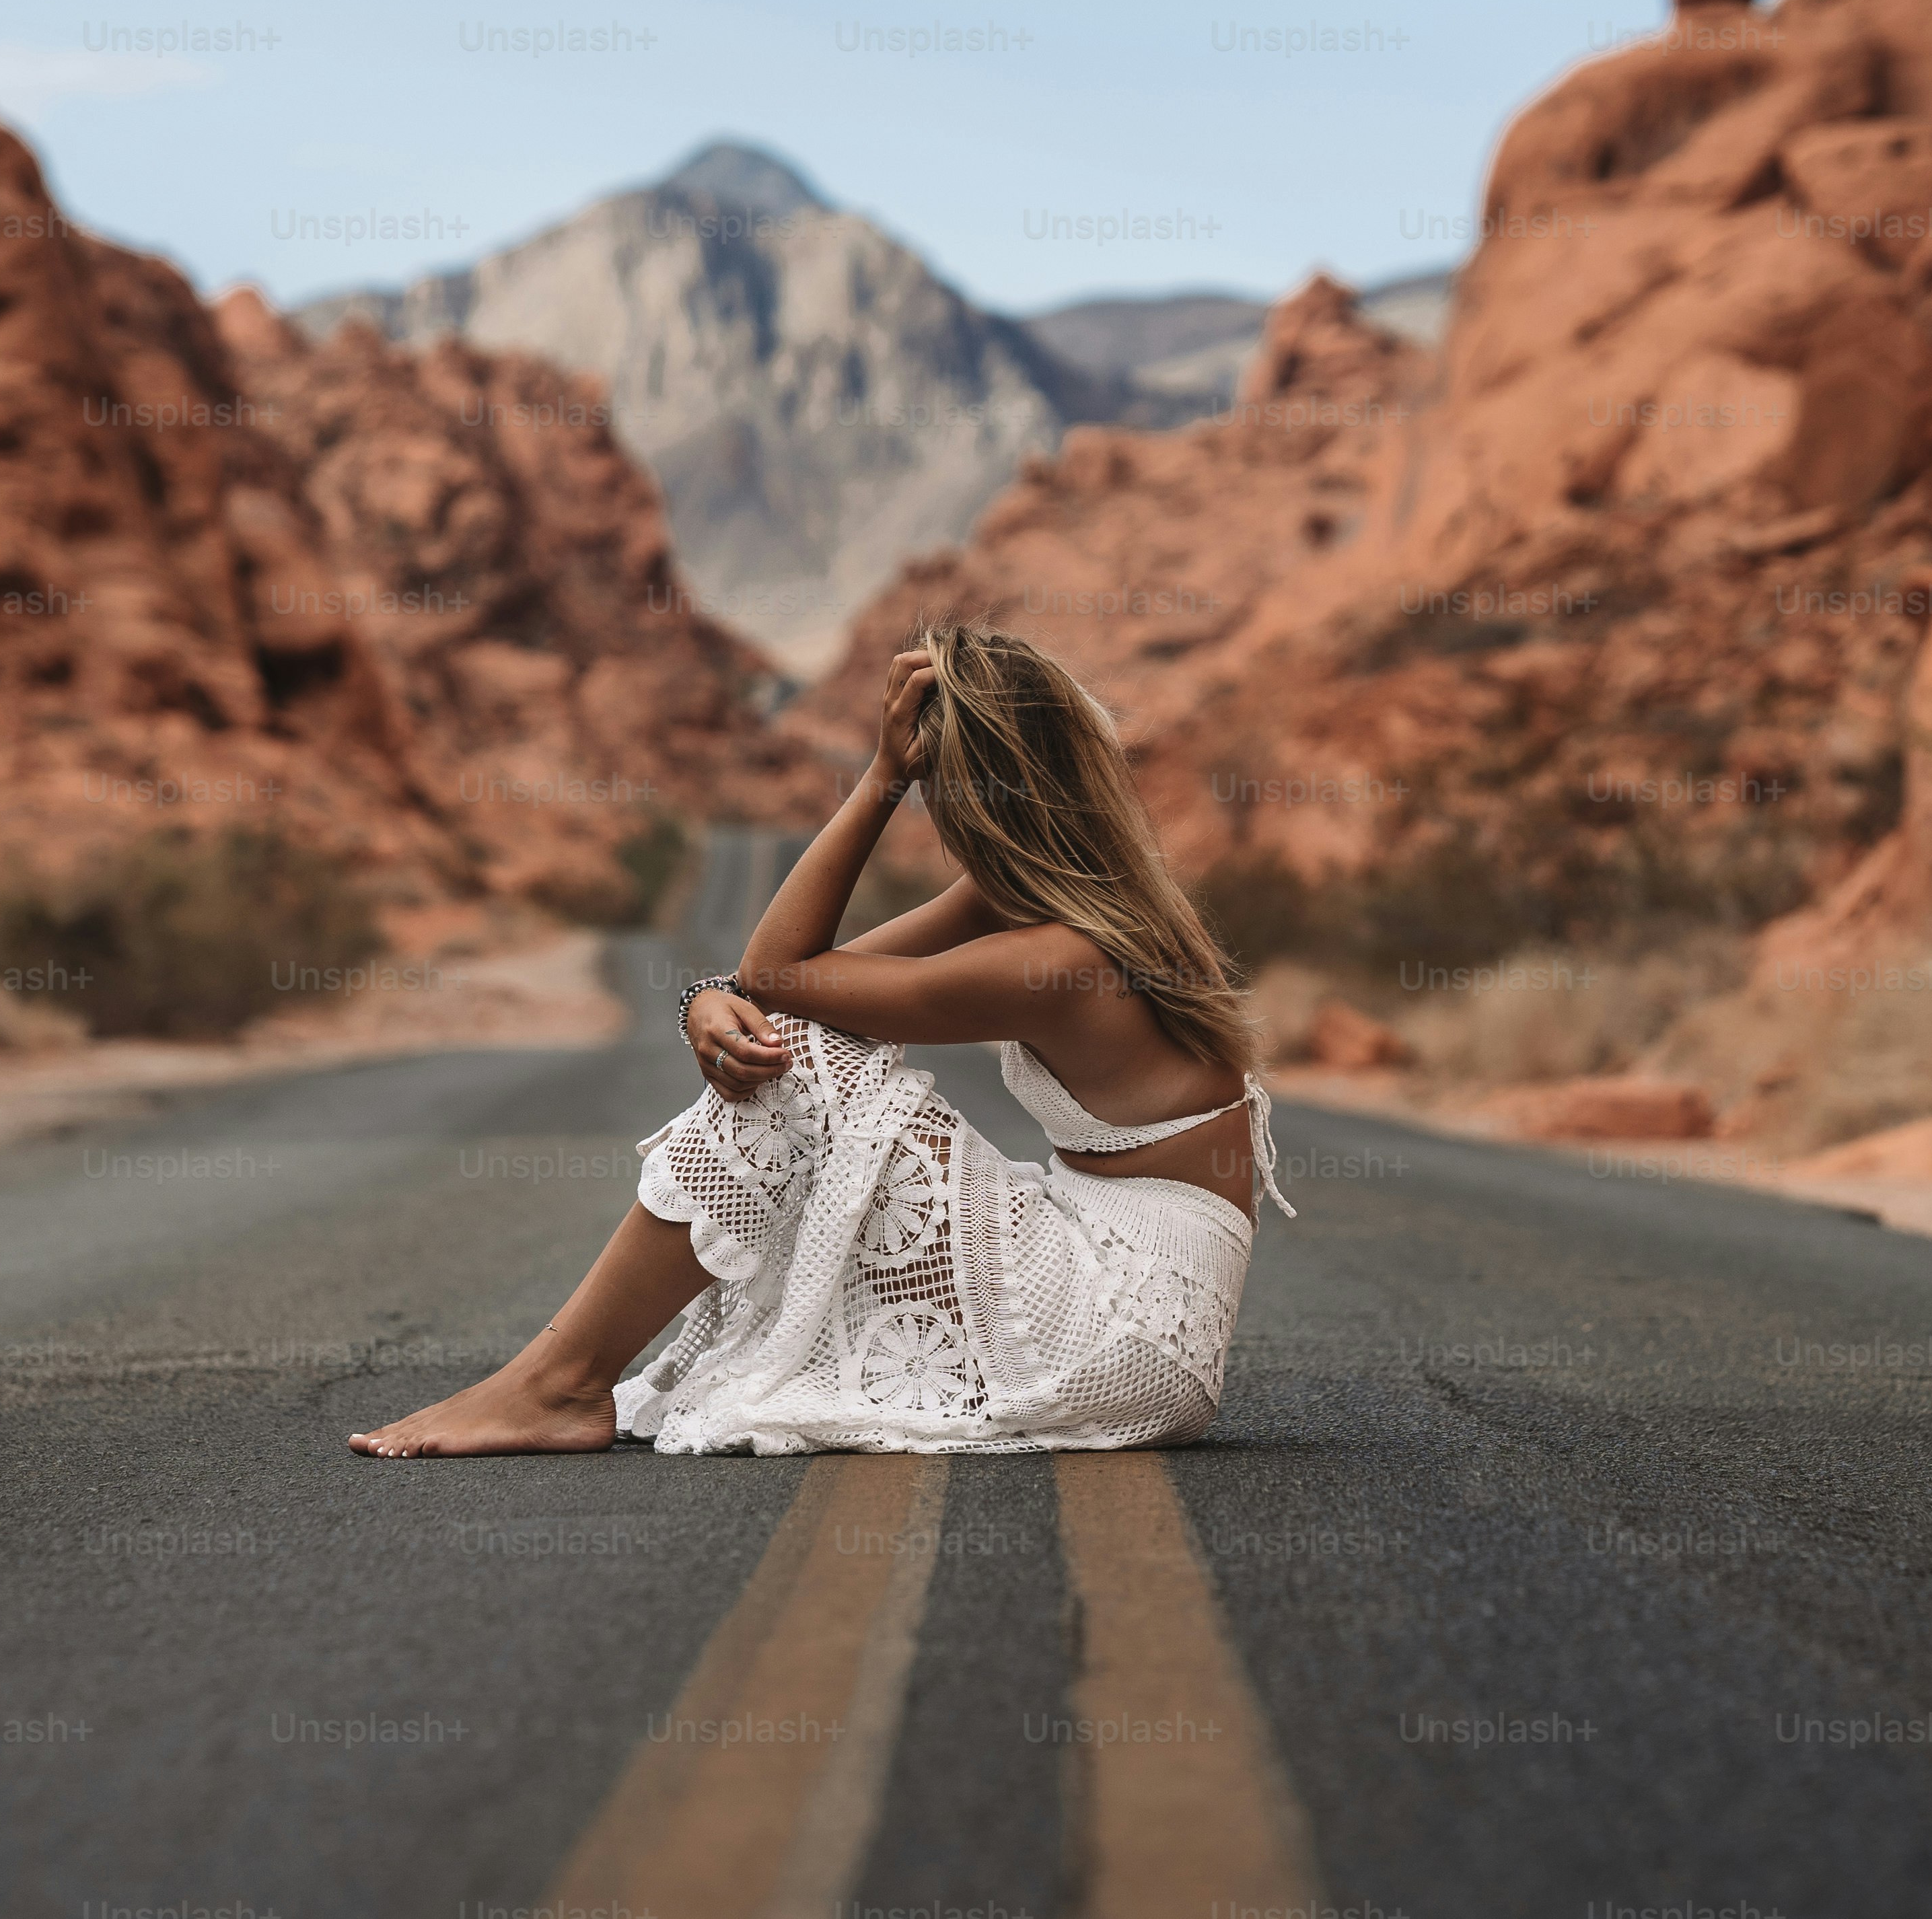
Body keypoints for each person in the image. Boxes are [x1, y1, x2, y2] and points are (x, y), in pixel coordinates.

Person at [351, 623, 1291, 1457]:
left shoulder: (1065, 958)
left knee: (795, 1067)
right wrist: (703, 1003)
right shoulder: (1091, 907)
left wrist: (880, 778)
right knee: (793, 1047)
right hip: (1148, 1322)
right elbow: (801, 988)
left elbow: (781, 980)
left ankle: (558, 1383)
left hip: (1121, 1334)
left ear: (968, 796)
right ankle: (555, 1380)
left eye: (937, 787)